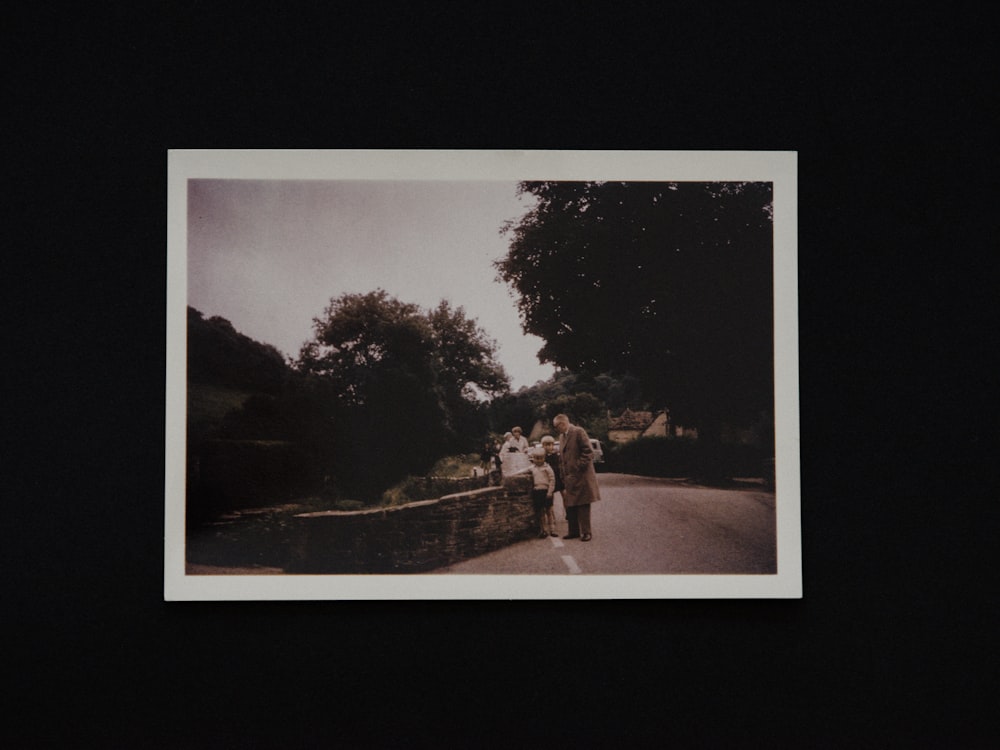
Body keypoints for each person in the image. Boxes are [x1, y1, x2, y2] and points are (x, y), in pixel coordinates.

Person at [552, 413, 601, 541]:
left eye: (556, 426)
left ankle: (586, 532)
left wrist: (577, 467)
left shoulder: (578, 432)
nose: (556, 429)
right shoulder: (562, 436)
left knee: (583, 504)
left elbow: (588, 452)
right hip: (569, 477)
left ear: (562, 424)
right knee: (571, 504)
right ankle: (573, 531)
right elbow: (562, 458)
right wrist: (563, 473)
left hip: (582, 476)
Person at [524, 448, 557, 538]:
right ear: (533, 458)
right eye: (536, 458)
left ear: (544, 458)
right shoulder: (532, 468)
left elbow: (552, 480)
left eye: (541, 458)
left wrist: (550, 492)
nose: (538, 460)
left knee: (549, 511)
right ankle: (544, 530)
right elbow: (524, 471)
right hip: (537, 491)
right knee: (541, 512)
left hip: (546, 491)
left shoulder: (547, 468)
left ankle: (552, 529)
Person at [540, 434, 564, 531]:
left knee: (565, 495)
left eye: (550, 444)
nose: (548, 447)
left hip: (558, 477)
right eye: (546, 445)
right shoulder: (542, 456)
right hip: (549, 480)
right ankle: (552, 518)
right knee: (550, 498)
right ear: (543, 445)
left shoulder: (556, 455)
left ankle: (568, 514)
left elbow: (561, 465)